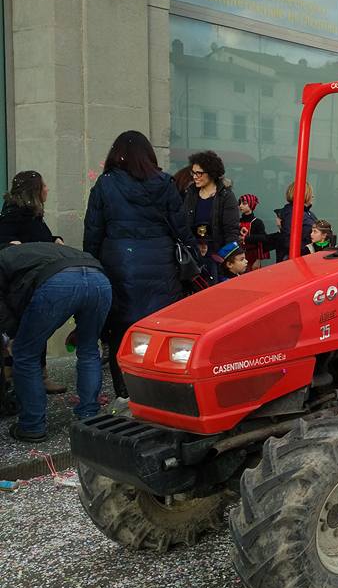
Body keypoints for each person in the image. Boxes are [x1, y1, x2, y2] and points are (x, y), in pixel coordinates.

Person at [83, 131, 194, 399]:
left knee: (121, 332)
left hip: (119, 266)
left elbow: (93, 233)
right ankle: (162, 391)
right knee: (160, 329)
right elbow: (182, 231)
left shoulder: (105, 185)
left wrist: (93, 265)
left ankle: (125, 392)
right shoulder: (165, 183)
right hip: (162, 266)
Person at [1, 243, 112, 442]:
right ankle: (90, 416)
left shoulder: (4, 258)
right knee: (88, 350)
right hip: (99, 279)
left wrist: (12, 334)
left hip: (58, 281)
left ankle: (32, 426)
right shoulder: (36, 250)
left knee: (25, 355)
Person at [0, 171, 66, 394]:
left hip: (33, 279)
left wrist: (53, 239)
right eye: (43, 185)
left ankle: (37, 375)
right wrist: (12, 244)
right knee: (22, 328)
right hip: (20, 282)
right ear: (34, 190)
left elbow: (38, 238)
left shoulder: (33, 214)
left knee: (35, 326)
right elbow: (7, 242)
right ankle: (15, 377)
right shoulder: (14, 214)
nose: (47, 188)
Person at [181, 150, 240, 278]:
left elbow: (231, 231)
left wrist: (225, 260)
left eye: (199, 173)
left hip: (217, 257)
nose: (195, 176)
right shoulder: (190, 194)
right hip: (193, 257)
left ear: (212, 173)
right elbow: (184, 224)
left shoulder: (226, 196)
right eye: (193, 173)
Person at [275, 181, 319, 261]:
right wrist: (310, 248)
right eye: (310, 193)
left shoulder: (306, 212)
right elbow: (289, 241)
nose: (313, 196)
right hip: (299, 259)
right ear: (303, 194)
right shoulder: (292, 213)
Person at [238, 193, 270, 271]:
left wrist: (258, 260)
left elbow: (263, 240)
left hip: (253, 256)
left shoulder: (257, 222)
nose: (241, 206)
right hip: (239, 255)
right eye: (240, 203)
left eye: (244, 203)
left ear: (251, 205)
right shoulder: (237, 221)